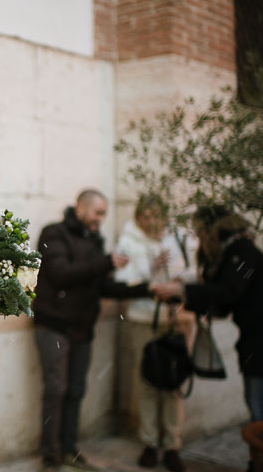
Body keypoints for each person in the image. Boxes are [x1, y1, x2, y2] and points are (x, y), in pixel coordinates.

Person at [32, 189, 150, 471]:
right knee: (56, 389)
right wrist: (107, 262)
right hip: (54, 325)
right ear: (80, 208)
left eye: (104, 215)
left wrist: (146, 290)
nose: (100, 220)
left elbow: (100, 285)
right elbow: (61, 273)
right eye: (97, 213)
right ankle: (50, 454)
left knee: (75, 390)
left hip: (82, 327)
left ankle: (69, 449)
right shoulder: (54, 233)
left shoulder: (95, 240)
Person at [153, 206, 263, 472]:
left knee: (258, 410)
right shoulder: (235, 251)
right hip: (254, 341)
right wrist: (185, 293)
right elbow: (223, 299)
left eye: (200, 231)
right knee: (256, 405)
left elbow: (226, 293)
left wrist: (184, 290)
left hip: (260, 343)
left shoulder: (241, 252)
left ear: (210, 229)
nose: (200, 238)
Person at [114, 194, 197, 472]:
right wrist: (151, 269)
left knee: (173, 384)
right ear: (138, 217)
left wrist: (174, 279)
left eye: (155, 215)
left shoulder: (181, 237)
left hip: (177, 319)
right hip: (143, 318)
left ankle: (172, 444)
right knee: (148, 381)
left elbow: (195, 273)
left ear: (164, 215)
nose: (150, 221)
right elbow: (122, 281)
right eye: (144, 216)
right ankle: (150, 441)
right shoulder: (129, 241)